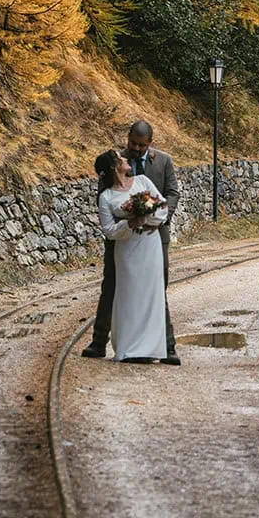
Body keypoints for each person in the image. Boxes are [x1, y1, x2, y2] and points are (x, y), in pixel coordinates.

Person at [83, 119, 181, 363]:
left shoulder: (163, 161)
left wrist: (156, 220)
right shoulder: (113, 161)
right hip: (123, 242)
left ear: (150, 143)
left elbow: (171, 194)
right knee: (112, 288)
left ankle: (166, 346)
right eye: (133, 144)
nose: (136, 149)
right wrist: (132, 220)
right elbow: (105, 202)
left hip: (155, 237)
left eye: (141, 145)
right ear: (128, 139)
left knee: (158, 288)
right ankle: (99, 342)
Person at [91, 148, 169, 361]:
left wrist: (148, 220)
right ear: (114, 167)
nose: (126, 159)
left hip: (150, 243)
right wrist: (130, 223)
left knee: (151, 294)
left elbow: (162, 207)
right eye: (121, 158)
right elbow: (108, 230)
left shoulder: (143, 181)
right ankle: (128, 348)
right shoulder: (106, 197)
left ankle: (151, 348)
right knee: (128, 295)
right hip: (126, 249)